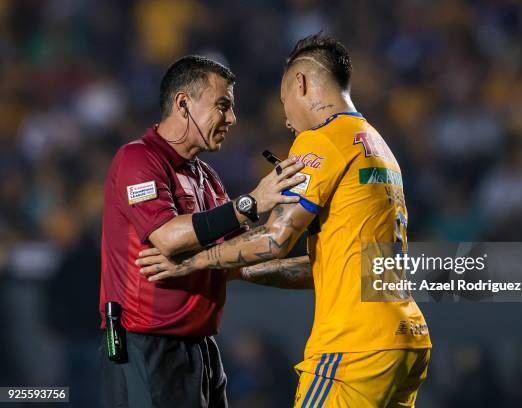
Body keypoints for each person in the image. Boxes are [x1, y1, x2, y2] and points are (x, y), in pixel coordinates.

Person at [137, 34, 432, 407]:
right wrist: (236, 270)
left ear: (301, 83)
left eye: (284, 102)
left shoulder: (322, 140)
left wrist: (194, 262)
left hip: (353, 346)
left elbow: (275, 237)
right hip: (404, 339)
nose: (287, 119)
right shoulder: (376, 145)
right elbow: (326, 267)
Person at [99, 55, 305, 408]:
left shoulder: (206, 177)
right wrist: (251, 203)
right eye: (222, 105)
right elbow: (166, 236)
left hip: (202, 348)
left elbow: (231, 258)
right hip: (147, 345)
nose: (232, 118)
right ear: (183, 103)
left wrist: (322, 262)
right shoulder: (137, 159)